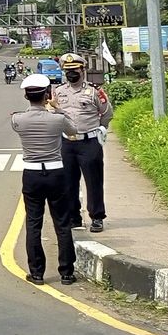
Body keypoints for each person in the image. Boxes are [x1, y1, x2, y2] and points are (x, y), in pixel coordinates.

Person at [12, 74, 80, 285]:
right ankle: (67, 273)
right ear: (48, 95)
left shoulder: (17, 119)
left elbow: (18, 123)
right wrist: (57, 107)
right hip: (56, 174)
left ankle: (37, 273)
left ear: (25, 95)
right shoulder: (57, 119)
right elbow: (73, 131)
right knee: (62, 223)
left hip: (31, 174)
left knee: (34, 223)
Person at [52, 53, 113, 233]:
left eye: (75, 70)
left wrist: (99, 130)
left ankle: (97, 217)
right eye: (68, 71)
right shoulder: (58, 92)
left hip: (89, 142)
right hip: (67, 144)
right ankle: (74, 218)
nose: (71, 74)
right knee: (68, 183)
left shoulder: (94, 91)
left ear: (83, 70)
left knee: (94, 182)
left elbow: (107, 113)